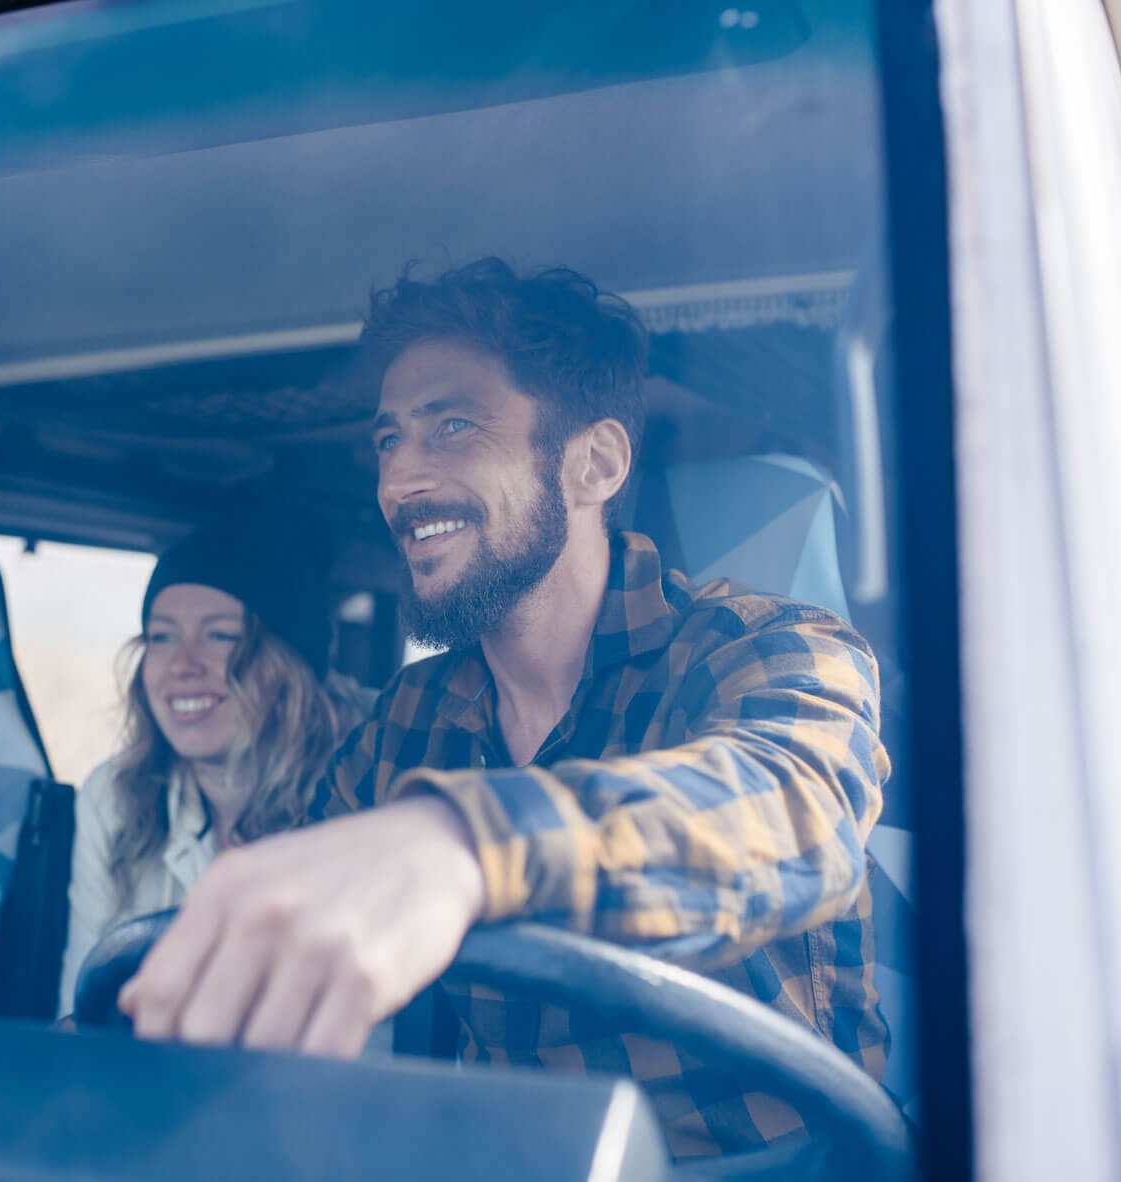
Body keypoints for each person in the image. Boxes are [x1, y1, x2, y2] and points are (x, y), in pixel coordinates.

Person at [117, 259, 890, 1159]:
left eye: (452, 427)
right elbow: (290, 890)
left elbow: (796, 811)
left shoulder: (766, 648)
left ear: (594, 464)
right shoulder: (411, 720)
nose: (400, 481)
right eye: (389, 441)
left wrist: (461, 846)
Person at [59, 512, 360, 1017]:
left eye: (219, 636)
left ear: (289, 664)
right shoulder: (112, 798)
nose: (182, 665)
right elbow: (79, 1007)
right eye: (161, 637)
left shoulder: (365, 797)